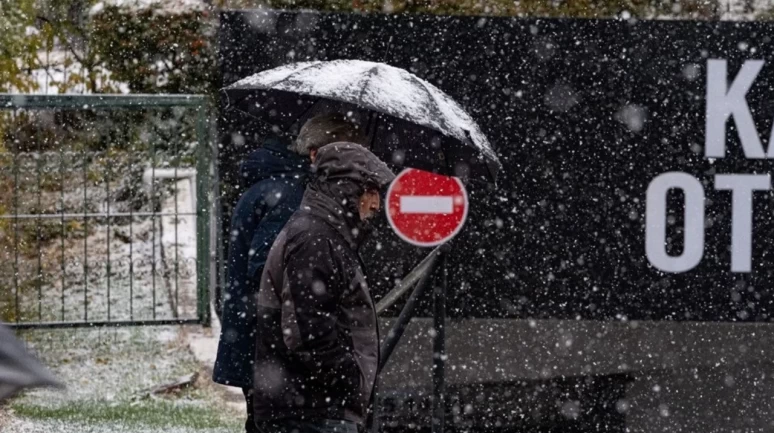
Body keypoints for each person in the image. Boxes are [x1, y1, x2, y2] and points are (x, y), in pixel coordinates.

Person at [213, 113, 368, 433]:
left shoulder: (280, 188)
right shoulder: (291, 196)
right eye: (346, 156)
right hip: (278, 357)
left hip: (265, 351)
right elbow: (272, 271)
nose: (354, 169)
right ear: (315, 154)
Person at [251, 142, 395, 433]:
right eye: (371, 191)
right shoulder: (316, 239)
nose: (377, 204)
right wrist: (349, 379)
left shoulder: (321, 235)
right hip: (311, 412)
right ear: (348, 189)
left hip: (310, 407)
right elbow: (307, 332)